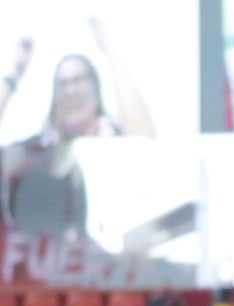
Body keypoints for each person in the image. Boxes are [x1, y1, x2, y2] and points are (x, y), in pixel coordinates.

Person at [0, 17, 154, 243]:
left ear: (96, 89)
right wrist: (14, 73)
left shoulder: (116, 147)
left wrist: (109, 49)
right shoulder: (34, 154)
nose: (71, 90)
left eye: (79, 80)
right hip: (43, 270)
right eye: (62, 84)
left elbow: (145, 141)